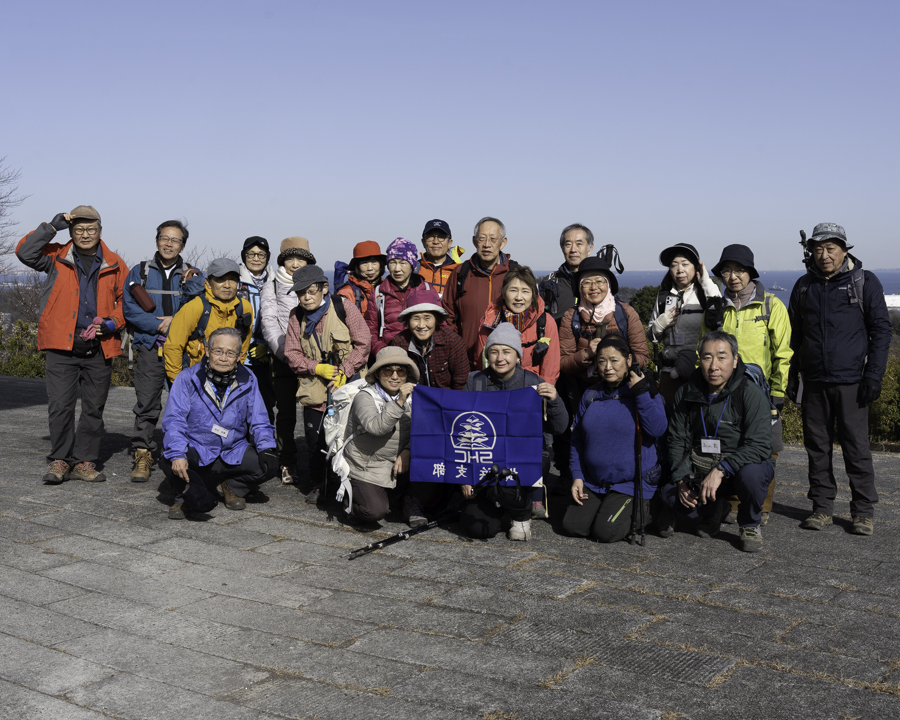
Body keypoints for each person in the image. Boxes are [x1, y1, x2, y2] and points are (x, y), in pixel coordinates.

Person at [788, 223, 891, 536]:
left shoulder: (864, 281)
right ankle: (821, 509)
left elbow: (881, 331)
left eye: (831, 248)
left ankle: (863, 512)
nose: (824, 255)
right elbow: (794, 335)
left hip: (852, 381)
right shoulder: (804, 286)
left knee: (856, 447)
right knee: (816, 447)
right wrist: (792, 375)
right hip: (814, 381)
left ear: (845, 250)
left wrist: (873, 375)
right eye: (818, 249)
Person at [15, 205, 128, 483]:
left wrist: (113, 322)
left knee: (93, 408)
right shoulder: (56, 257)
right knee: (60, 406)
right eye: (78, 229)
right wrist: (51, 227)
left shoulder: (115, 263)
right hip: (61, 345)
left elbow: (127, 301)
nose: (85, 234)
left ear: (100, 231)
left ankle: (84, 462)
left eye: (91, 229)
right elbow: (25, 252)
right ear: (71, 232)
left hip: (99, 346)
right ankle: (60, 460)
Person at [702, 244, 791, 526]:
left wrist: (778, 391)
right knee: (731, 443)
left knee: (767, 446)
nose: (733, 277)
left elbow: (783, 353)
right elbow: (703, 349)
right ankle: (733, 504)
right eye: (727, 271)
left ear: (750, 272)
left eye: (739, 270)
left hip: (760, 391)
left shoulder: (771, 305)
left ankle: (761, 507)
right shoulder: (716, 308)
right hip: (724, 390)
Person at [665, 331, 775, 553]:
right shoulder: (686, 393)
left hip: (737, 468)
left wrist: (721, 469)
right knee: (668, 494)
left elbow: (760, 445)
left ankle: (749, 524)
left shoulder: (750, 393)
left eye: (722, 357)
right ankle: (714, 510)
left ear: (735, 360)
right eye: (707, 358)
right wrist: (682, 479)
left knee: (752, 476)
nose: (713, 366)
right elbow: (677, 439)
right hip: (701, 466)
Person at [459, 324, 568, 541]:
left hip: (526, 458)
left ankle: (521, 513)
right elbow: (461, 430)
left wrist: (555, 400)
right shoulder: (475, 381)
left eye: (507, 352)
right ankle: (506, 508)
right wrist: (463, 476)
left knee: (507, 477)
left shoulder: (533, 382)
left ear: (518, 356)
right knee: (478, 528)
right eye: (494, 351)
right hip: (485, 457)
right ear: (487, 355)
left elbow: (560, 427)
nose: (500, 358)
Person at [160, 328, 278, 519]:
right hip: (197, 448)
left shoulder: (248, 379)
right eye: (218, 351)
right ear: (207, 351)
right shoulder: (187, 378)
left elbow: (260, 420)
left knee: (269, 464)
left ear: (239, 356)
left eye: (230, 353)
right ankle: (184, 496)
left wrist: (266, 448)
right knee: (168, 459)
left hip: (233, 449)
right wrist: (178, 453)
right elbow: (174, 420)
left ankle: (232, 486)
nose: (223, 358)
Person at [563, 335, 668, 543]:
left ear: (628, 360)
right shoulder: (590, 394)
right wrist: (577, 476)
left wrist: (640, 393)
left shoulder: (645, 390)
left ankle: (648, 508)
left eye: (614, 360)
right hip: (595, 481)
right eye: (602, 361)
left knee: (605, 532)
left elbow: (657, 429)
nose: (608, 367)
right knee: (572, 525)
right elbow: (577, 440)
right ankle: (607, 506)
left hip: (631, 482)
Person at [123, 219, 204, 482]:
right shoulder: (140, 271)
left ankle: (188, 453)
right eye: (164, 238)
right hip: (150, 345)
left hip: (183, 350)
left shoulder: (193, 274)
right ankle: (143, 453)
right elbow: (129, 308)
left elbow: (201, 307)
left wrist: (176, 323)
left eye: (175, 240)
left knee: (187, 403)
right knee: (146, 402)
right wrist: (159, 326)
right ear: (157, 240)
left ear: (183, 245)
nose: (169, 244)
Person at [283, 265, 371, 504]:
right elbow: (291, 353)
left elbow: (363, 343)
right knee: (315, 440)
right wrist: (315, 367)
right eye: (301, 293)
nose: (306, 297)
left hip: (348, 387)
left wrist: (345, 370)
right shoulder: (295, 316)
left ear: (324, 288)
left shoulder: (343, 307)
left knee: (348, 437)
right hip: (313, 388)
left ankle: (349, 485)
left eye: (311, 291)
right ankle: (319, 484)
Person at [260, 237, 317, 484]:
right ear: (282, 261)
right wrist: (285, 352)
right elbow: (269, 322)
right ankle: (287, 461)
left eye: (300, 259)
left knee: (315, 409)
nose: (295, 264)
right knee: (285, 413)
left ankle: (317, 461)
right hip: (283, 358)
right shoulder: (272, 285)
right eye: (290, 259)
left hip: (313, 358)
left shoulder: (316, 284)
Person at [341, 347, 417, 524]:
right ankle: (348, 501)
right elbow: (376, 428)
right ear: (377, 374)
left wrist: (408, 450)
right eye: (388, 371)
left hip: (395, 463)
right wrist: (399, 402)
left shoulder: (414, 397)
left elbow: (424, 430)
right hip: (365, 466)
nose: (395, 376)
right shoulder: (365, 397)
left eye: (401, 371)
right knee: (375, 511)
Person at [648, 243, 721, 404]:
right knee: (669, 413)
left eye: (685, 264)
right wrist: (659, 325)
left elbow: (718, 317)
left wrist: (706, 281)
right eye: (674, 265)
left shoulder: (705, 292)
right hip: (669, 372)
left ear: (696, 267)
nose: (679, 269)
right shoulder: (663, 297)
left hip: (700, 371)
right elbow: (651, 336)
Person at [442, 217, 518, 368]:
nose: (487, 244)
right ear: (474, 241)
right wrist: (456, 349)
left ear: (503, 242)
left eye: (493, 239)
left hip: (507, 363)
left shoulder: (515, 274)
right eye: (482, 238)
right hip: (467, 361)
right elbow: (447, 315)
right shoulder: (460, 274)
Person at [163, 258, 254, 383]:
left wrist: (236, 375)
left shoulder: (244, 307)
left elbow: (242, 347)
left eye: (232, 279)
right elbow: (173, 346)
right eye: (220, 279)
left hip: (228, 378)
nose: (227, 285)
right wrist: (178, 382)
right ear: (208, 282)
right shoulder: (195, 307)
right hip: (194, 378)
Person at [475, 265, 560, 384]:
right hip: (497, 387)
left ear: (533, 295)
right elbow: (481, 363)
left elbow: (550, 367)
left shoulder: (545, 322)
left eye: (525, 291)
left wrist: (543, 391)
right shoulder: (490, 321)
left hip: (533, 388)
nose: (519, 297)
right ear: (504, 293)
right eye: (513, 290)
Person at [389, 286, 469, 390]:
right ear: (408, 321)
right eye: (416, 318)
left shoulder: (453, 342)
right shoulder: (399, 342)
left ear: (436, 320)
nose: (421, 325)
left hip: (446, 398)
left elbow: (461, 383)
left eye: (427, 318)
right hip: (412, 398)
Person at [365, 237, 430, 355]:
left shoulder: (426, 289)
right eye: (392, 262)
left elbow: (440, 325)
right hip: (389, 355)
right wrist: (382, 351)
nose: (397, 268)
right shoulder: (379, 293)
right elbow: (370, 330)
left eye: (403, 262)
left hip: (421, 354)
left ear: (412, 265)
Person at [237, 237, 276, 420]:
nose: (256, 258)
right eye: (251, 254)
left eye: (261, 255)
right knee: (240, 401)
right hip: (241, 350)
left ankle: (265, 435)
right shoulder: (235, 280)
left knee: (266, 401)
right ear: (244, 256)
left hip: (269, 351)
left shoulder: (277, 281)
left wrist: (268, 347)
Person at [538, 223, 595, 322]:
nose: (573, 250)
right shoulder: (549, 283)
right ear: (562, 248)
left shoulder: (600, 283)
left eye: (579, 244)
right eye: (568, 244)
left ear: (590, 248)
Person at [416, 219, 465, 297]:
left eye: (441, 237)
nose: (436, 241)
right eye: (430, 237)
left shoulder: (460, 272)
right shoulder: (413, 270)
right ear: (423, 242)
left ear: (449, 243)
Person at [335, 240, 385, 316]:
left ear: (380, 264)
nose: (370, 268)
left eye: (374, 262)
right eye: (364, 263)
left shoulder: (387, 288)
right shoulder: (347, 293)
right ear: (357, 266)